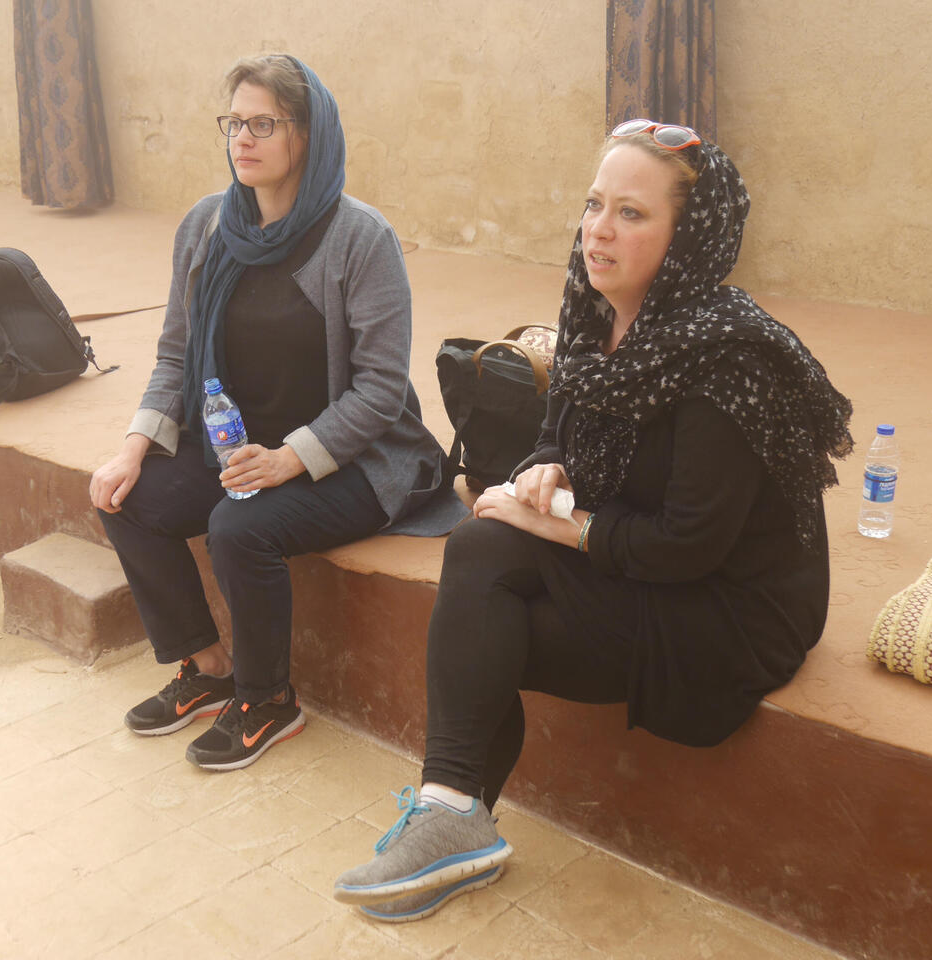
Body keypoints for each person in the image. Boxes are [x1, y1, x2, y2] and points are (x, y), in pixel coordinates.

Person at [332, 120, 854, 921]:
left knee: (486, 597)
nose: (598, 230)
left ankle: (455, 819)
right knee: (482, 571)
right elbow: (559, 430)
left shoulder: (729, 359)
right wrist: (550, 465)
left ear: (688, 239)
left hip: (726, 609)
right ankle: (453, 813)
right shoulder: (594, 310)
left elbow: (689, 544)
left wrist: (557, 526)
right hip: (642, 560)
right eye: (593, 204)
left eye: (631, 213)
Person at [89, 54, 464, 772]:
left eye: (264, 124)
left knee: (239, 527)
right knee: (125, 497)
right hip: (242, 445)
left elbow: (381, 390)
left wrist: (289, 460)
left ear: (308, 133)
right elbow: (176, 354)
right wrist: (134, 446)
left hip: (355, 456)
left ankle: (267, 699)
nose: (243, 139)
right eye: (234, 122)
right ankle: (210, 666)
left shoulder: (360, 238)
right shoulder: (207, 227)